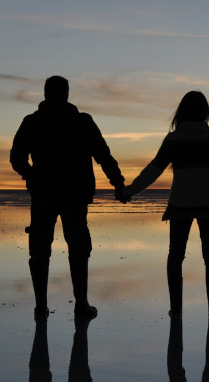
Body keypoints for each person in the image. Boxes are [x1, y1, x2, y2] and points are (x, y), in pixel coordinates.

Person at [10, 76, 126, 318]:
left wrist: (32, 176)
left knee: (49, 249)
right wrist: (118, 183)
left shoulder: (35, 122)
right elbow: (103, 155)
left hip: (51, 194)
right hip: (69, 193)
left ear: (45, 94)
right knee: (73, 248)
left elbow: (17, 159)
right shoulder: (80, 121)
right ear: (66, 94)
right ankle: (76, 304)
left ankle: (44, 306)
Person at [123, 90, 209, 317]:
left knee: (175, 256)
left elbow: (153, 170)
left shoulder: (174, 139)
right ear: (205, 113)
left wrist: (130, 190)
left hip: (180, 203)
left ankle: (176, 309)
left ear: (181, 111)